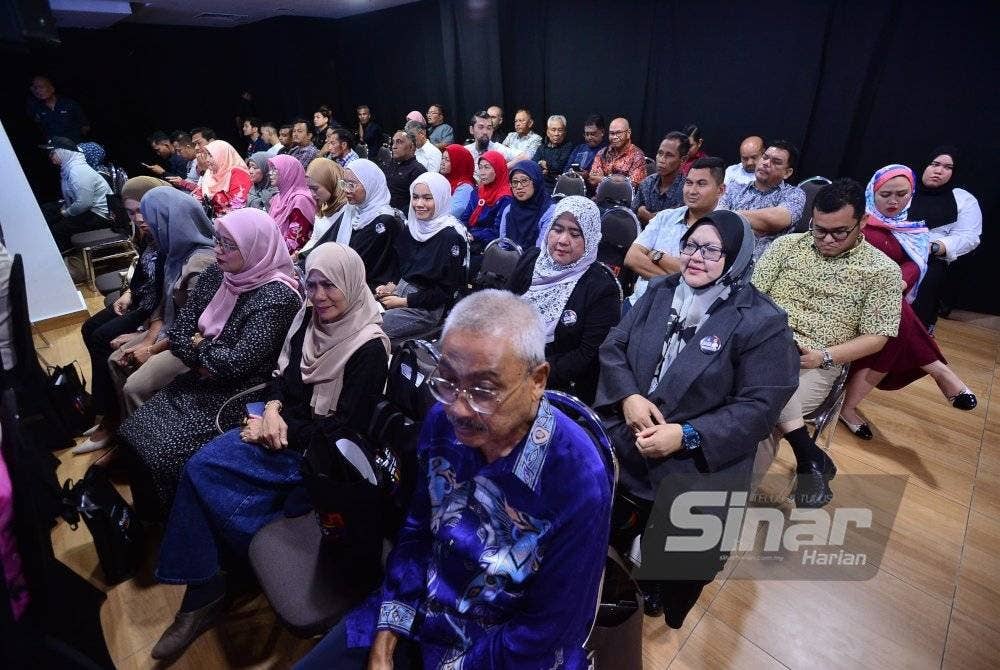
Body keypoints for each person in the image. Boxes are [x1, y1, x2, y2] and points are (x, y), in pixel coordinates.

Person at [295, 289, 612, 669]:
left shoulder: (578, 477)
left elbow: (550, 629)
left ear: (537, 380)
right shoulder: (442, 423)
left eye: (484, 390)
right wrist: (387, 630)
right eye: (446, 381)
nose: (459, 408)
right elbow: (417, 529)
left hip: (502, 648)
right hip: (420, 604)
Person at [149, 243, 390, 662]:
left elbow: (344, 432)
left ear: (352, 283)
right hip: (279, 427)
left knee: (203, 471)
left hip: (318, 456)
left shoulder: (369, 347)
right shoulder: (307, 319)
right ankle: (213, 586)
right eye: (311, 284)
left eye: (329, 285)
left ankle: (209, 590)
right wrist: (274, 408)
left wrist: (279, 426)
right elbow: (281, 377)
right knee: (199, 467)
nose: (318, 296)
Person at [596, 210, 798, 629]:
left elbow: (759, 408)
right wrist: (629, 396)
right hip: (631, 433)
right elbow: (614, 346)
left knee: (675, 564)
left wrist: (686, 434)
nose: (695, 258)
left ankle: (657, 589)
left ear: (738, 257)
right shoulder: (660, 290)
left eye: (711, 250)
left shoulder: (763, 321)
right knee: (600, 522)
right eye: (690, 246)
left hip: (698, 456)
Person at [119, 208, 302, 518]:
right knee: (132, 431)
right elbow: (179, 334)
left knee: (164, 454)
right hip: (199, 380)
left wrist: (199, 345)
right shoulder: (217, 274)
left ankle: (174, 521)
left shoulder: (278, 296)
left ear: (253, 247)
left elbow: (233, 366)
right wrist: (204, 352)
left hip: (239, 394)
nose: (217, 250)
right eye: (217, 240)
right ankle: (151, 518)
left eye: (229, 245)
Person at [752, 179, 903, 507]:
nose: (826, 240)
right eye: (819, 230)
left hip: (817, 361)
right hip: (762, 346)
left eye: (838, 232)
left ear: (862, 223)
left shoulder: (882, 271)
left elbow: (878, 336)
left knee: (763, 415)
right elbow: (753, 297)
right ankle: (809, 457)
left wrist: (823, 356)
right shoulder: (787, 246)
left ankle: (727, 501)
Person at [838, 165, 976, 439]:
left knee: (892, 330)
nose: (893, 201)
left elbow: (915, 262)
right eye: (885, 194)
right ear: (872, 193)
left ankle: (848, 407)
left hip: (887, 298)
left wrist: (900, 281)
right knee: (892, 310)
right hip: (849, 292)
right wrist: (888, 285)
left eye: (902, 194)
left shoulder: (912, 228)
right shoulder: (856, 221)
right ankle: (938, 369)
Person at [75, 177, 168, 454]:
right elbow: (141, 270)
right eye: (131, 212)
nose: (138, 218)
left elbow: (167, 293)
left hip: (153, 308)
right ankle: (104, 411)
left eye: (142, 210)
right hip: (142, 300)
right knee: (89, 327)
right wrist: (128, 292)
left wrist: (147, 331)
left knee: (103, 337)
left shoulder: (168, 235)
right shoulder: (146, 234)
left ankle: (112, 420)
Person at [107, 186, 217, 416]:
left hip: (191, 342)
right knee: (116, 359)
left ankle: (147, 442)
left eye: (150, 218)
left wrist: (152, 348)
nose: (143, 223)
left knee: (135, 387)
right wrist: (146, 335)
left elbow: (196, 326)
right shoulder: (173, 251)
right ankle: (124, 430)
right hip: (172, 332)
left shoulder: (200, 263)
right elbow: (165, 303)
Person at [508, 196, 619, 403]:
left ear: (591, 239)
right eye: (557, 229)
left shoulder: (602, 287)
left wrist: (528, 374)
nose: (562, 240)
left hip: (556, 384)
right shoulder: (532, 259)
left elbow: (586, 356)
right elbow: (504, 311)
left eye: (575, 234)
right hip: (509, 360)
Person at [374, 172, 466, 342]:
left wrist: (403, 302)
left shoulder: (451, 237)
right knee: (354, 318)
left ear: (440, 199)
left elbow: (444, 292)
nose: (419, 204)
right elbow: (403, 267)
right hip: (400, 294)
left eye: (427, 198)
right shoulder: (413, 227)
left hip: (426, 309)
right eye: (415, 197)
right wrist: (390, 286)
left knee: (370, 331)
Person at [625, 157, 728, 308]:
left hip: (682, 314)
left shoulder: (726, 228)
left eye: (701, 184)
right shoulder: (665, 217)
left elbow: (708, 281)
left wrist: (655, 255)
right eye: (688, 183)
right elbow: (632, 258)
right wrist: (678, 285)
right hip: (638, 302)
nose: (692, 191)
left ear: (720, 190)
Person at [908, 146, 982, 330]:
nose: (939, 171)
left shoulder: (962, 199)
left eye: (948, 167)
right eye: (935, 164)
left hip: (930, 258)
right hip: (890, 250)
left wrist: (935, 246)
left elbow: (969, 236)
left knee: (927, 282)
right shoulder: (903, 188)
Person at [309, 159, 401, 289]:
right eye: (344, 183)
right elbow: (327, 242)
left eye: (351, 185)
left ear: (370, 185)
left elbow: (360, 260)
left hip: (368, 288)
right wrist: (304, 260)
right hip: (343, 280)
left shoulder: (384, 221)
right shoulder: (351, 211)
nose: (346, 190)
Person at [718, 139, 806, 261]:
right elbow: (718, 219)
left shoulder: (794, 194)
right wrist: (757, 224)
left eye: (776, 162)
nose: (766, 163)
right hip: (723, 258)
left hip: (761, 266)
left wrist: (732, 216)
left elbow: (777, 219)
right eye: (765, 157)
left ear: (787, 172)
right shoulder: (734, 188)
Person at [39, 137, 113, 251]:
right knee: (47, 212)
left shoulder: (77, 170)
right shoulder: (69, 168)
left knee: (56, 229)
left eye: (52, 152)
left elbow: (85, 203)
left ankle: (66, 259)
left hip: (99, 216)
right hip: (90, 211)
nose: (50, 156)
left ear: (63, 152)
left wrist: (66, 213)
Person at [633, 131, 691, 225]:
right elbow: (633, 212)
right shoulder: (647, 183)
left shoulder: (687, 190)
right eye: (660, 153)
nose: (661, 160)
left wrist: (647, 215)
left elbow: (676, 223)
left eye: (669, 155)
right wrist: (639, 210)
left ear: (683, 160)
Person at [296, 157, 348, 259]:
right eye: (309, 188)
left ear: (330, 182)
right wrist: (300, 255)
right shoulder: (324, 204)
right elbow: (316, 238)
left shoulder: (347, 210)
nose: (312, 194)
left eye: (315, 188)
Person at [497, 160, 554, 249]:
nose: (519, 187)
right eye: (515, 182)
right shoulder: (509, 209)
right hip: (508, 260)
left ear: (536, 181)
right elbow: (503, 246)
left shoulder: (549, 211)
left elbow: (540, 251)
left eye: (524, 181)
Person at [266, 154, 317, 254]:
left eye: (275, 169)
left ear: (289, 172)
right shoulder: (278, 197)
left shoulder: (300, 200)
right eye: (270, 169)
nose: (270, 173)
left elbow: (295, 242)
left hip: (288, 258)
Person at [466, 151, 513, 251]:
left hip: (488, 244)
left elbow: (497, 231)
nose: (482, 172)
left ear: (498, 169)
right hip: (468, 236)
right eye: (480, 167)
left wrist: (474, 235)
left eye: (487, 167)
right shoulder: (477, 191)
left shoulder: (506, 198)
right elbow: (465, 217)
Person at [191, 140, 251, 217]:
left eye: (211, 155)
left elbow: (238, 206)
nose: (207, 160)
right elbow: (198, 193)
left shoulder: (238, 174)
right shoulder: (210, 172)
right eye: (207, 155)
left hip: (231, 222)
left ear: (223, 155)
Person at [588, 117, 647, 189]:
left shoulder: (637, 155)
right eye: (612, 133)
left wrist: (603, 179)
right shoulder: (602, 153)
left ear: (628, 133)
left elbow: (633, 184)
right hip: (601, 197)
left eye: (618, 133)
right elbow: (593, 180)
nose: (614, 137)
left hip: (625, 199)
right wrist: (619, 180)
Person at [464, 110, 527, 177]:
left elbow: (524, 157)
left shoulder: (497, 148)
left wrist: (502, 168)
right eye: (481, 127)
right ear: (471, 130)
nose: (485, 132)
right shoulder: (466, 151)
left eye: (489, 128)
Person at [27, 75, 88, 141]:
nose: (38, 91)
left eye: (41, 87)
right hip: (54, 147)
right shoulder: (36, 108)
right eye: (35, 88)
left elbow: (85, 125)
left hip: (75, 145)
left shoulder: (69, 104)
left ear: (52, 88)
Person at [384, 130, 427, 211]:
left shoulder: (418, 171)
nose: (393, 146)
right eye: (393, 142)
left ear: (412, 147)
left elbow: (418, 203)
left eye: (399, 142)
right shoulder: (389, 165)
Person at [532, 114, 574, 191]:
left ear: (564, 132)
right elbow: (534, 164)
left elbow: (559, 167)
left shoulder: (568, 146)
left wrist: (546, 164)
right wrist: (542, 166)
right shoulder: (542, 147)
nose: (556, 134)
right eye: (553, 130)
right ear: (548, 132)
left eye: (560, 130)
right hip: (540, 184)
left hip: (558, 186)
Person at [568, 114, 609, 189]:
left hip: (592, 192)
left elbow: (604, 178)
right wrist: (570, 172)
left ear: (602, 132)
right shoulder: (579, 148)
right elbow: (566, 168)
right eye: (586, 134)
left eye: (593, 134)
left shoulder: (608, 151)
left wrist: (587, 176)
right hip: (571, 186)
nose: (589, 137)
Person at [439, 144, 477, 223]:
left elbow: (454, 212)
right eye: (442, 158)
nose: (442, 163)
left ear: (458, 163)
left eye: (447, 160)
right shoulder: (444, 180)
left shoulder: (465, 187)